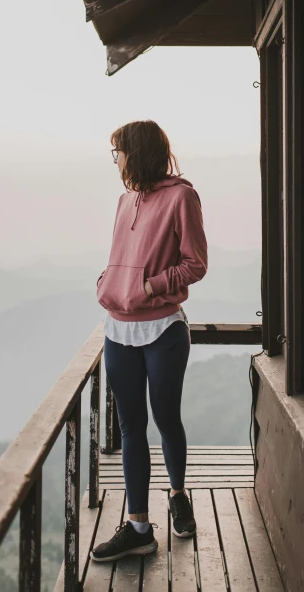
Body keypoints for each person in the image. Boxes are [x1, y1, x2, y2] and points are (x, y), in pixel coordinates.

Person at [90, 120, 208, 562]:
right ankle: (139, 526)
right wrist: (108, 281)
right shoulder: (124, 201)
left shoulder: (182, 196)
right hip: (118, 330)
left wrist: (152, 288)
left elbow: (195, 264)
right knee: (130, 428)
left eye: (118, 151)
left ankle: (177, 494)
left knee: (166, 418)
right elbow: (120, 258)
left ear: (136, 153)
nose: (115, 160)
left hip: (163, 330)